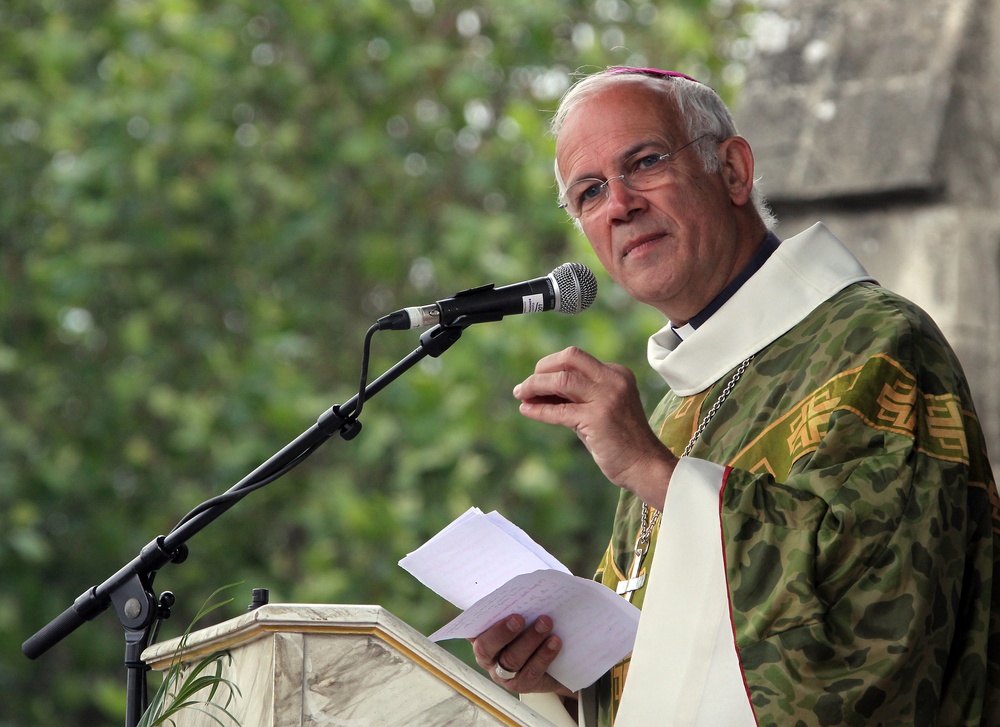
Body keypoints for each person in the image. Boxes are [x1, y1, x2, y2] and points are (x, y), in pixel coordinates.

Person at [470, 67, 1000, 726]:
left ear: (734, 170)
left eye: (646, 162)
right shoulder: (673, 413)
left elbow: (880, 617)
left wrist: (655, 471)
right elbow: (674, 656)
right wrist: (564, 675)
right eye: (590, 191)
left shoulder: (876, 344)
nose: (620, 204)